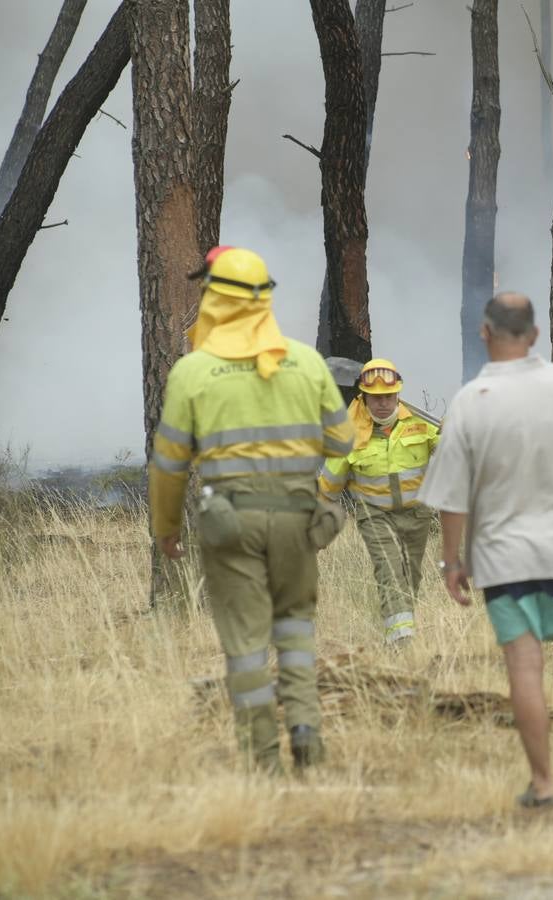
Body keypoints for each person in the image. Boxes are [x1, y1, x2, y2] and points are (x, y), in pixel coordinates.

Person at [418, 292, 553, 809]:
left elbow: (452, 498)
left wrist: (453, 561)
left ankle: (544, 785)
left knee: (524, 666)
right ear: (534, 334)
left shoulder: (471, 401)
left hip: (502, 558)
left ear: (485, 333)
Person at [150, 246, 355, 774]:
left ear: (214, 300)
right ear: (265, 299)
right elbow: (343, 442)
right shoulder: (305, 361)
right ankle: (306, 726)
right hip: (296, 516)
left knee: (243, 646)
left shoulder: (193, 372)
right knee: (294, 629)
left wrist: (166, 528)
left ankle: (263, 760)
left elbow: (170, 465)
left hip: (228, 519)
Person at [318, 359, 440, 647]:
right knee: (389, 570)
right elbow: (328, 487)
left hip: (416, 515)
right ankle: (402, 642)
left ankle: (396, 632)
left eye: (388, 397)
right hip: (375, 517)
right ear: (364, 397)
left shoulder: (419, 425)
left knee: (410, 578)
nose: (383, 404)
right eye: (377, 398)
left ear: (397, 394)